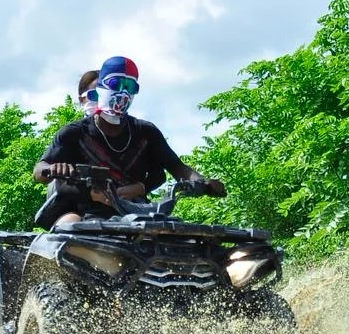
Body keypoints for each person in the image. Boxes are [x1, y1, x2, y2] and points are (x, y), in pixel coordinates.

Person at [32, 55, 224, 228]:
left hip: (138, 214)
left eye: (130, 87)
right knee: (71, 230)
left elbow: (177, 167)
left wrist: (201, 182)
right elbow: (40, 170)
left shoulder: (145, 131)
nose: (122, 92)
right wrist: (53, 170)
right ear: (99, 89)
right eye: (115, 83)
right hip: (88, 213)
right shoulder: (73, 133)